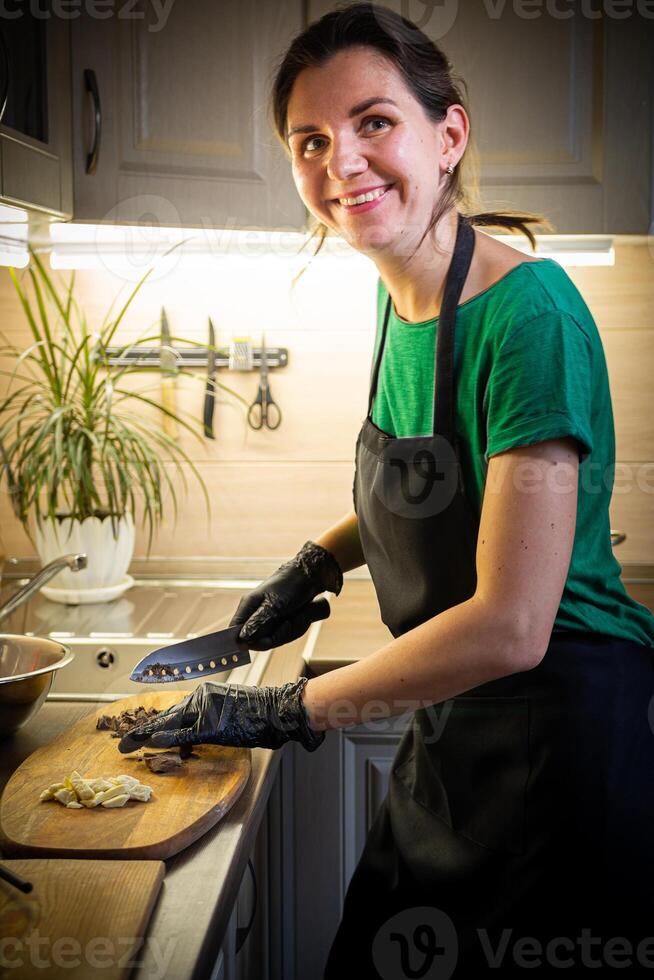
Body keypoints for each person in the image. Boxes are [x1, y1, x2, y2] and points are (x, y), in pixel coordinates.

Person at [120, 4, 654, 976]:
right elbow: (431, 479)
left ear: (448, 137)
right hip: (455, 730)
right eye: (310, 140)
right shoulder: (399, 290)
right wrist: (325, 553)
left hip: (557, 747)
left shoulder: (529, 315)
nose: (342, 164)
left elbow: (510, 623)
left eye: (374, 123)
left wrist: (288, 707)